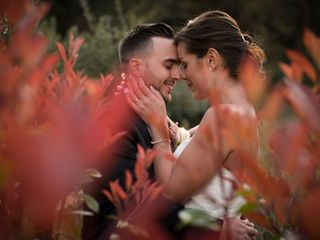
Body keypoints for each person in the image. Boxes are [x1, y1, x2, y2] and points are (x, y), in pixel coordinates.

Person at [126, 10, 265, 239]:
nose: (180, 75)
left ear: (211, 60)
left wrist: (158, 127)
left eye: (184, 64)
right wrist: (178, 135)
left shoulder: (223, 118)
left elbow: (169, 195)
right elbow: (204, 159)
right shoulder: (242, 112)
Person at [82, 22, 180, 240]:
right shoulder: (113, 122)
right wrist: (219, 229)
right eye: (169, 65)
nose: (178, 74)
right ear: (136, 67)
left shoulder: (152, 119)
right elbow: (142, 203)